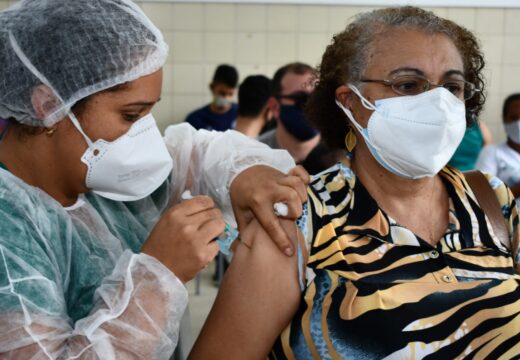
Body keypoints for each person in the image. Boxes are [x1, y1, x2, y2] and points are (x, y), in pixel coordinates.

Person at [189, 6, 520, 359]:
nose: (437, 104)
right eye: (408, 85)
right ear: (350, 102)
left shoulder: (490, 199)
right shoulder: (297, 219)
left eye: (451, 86)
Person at [0, 1, 309, 358]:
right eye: (131, 115)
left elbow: (197, 154)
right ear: (49, 104)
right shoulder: (10, 229)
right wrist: (158, 275)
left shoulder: (103, 177)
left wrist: (246, 173)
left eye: (150, 111)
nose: (144, 133)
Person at [258, 62, 321, 163]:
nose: (312, 106)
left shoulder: (341, 156)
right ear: (274, 107)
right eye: (301, 99)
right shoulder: (254, 157)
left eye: (316, 98)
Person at [477, 93, 520, 199]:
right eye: (513, 118)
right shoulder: (491, 153)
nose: (518, 123)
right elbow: (483, 196)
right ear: (504, 119)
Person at [185, 64, 238, 131]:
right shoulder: (195, 120)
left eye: (230, 94)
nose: (226, 98)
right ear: (212, 87)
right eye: (222, 93)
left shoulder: (243, 115)